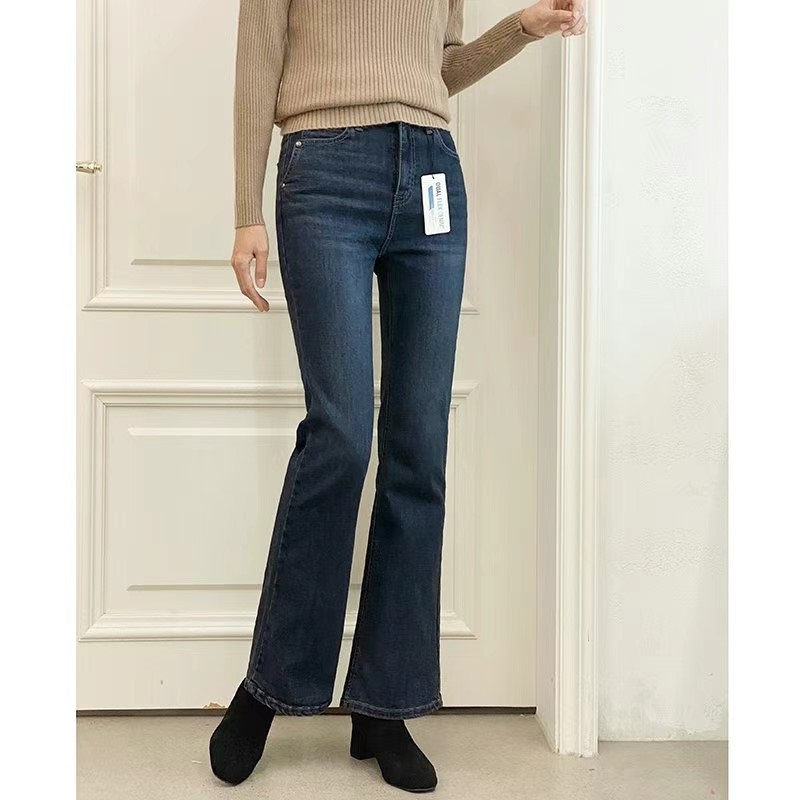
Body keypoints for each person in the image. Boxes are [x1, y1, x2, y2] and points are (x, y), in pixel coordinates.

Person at [210, 0, 587, 793]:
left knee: (418, 444)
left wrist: (518, 31)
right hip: (323, 173)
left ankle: (384, 705)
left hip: (432, 172)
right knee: (341, 435)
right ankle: (270, 685)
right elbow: (258, 60)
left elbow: (435, 69)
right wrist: (245, 207)